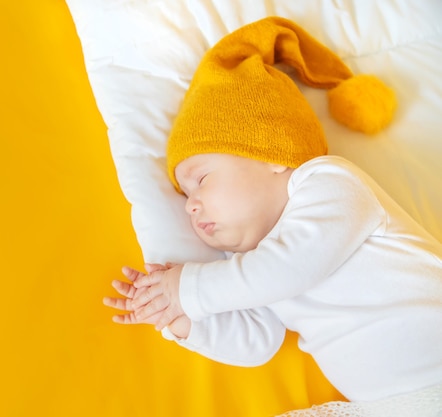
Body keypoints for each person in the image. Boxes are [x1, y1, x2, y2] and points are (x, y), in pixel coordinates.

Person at [103, 17, 442, 417]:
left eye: (202, 179)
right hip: (388, 404)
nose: (191, 205)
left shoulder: (330, 183)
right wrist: (178, 317)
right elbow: (255, 341)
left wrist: (189, 289)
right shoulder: (248, 264)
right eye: (186, 194)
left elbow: (290, 267)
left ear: (272, 155)